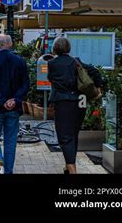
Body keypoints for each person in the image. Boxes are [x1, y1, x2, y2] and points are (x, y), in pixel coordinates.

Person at [48, 36, 102, 175]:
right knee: (73, 133)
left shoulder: (52, 63)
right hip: (80, 102)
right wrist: (98, 87)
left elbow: (51, 79)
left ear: (55, 48)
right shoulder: (76, 61)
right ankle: (68, 167)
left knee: (64, 137)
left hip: (63, 103)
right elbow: (95, 71)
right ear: (68, 48)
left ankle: (72, 170)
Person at [0, 34, 29, 175]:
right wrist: (15, 99)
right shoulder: (20, 61)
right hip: (13, 108)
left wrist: (2, 101)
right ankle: (8, 171)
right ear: (10, 45)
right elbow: (26, 84)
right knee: (10, 140)